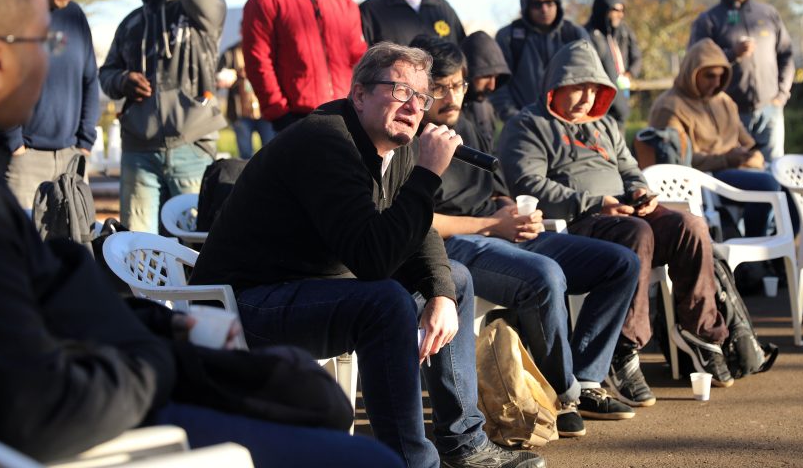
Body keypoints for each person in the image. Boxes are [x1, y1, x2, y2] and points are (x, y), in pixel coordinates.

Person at [0, 0, 401, 468]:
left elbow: (40, 295)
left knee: (310, 396)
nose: (53, 57)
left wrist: (158, 326)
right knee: (367, 459)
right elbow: (34, 405)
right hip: (94, 426)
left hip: (110, 372)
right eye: (45, 40)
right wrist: (159, 360)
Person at [190, 43, 544, 468]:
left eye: (422, 97)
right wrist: (428, 175)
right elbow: (372, 260)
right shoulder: (326, 141)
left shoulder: (397, 147)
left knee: (456, 280)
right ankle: (408, 461)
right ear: (359, 94)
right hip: (245, 302)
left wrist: (440, 293)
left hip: (312, 286)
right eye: (400, 91)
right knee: (385, 302)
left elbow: (416, 230)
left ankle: (462, 442)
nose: (415, 107)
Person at [411, 37, 640, 435]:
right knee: (544, 275)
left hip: (498, 230)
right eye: (441, 87)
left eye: (459, 84)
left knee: (620, 263)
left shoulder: (471, 121)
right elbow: (419, 221)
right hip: (454, 245)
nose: (452, 96)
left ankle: (586, 378)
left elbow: (495, 184)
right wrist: (492, 225)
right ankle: (563, 395)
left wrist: (510, 211)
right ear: (420, 88)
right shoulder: (410, 135)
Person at [498, 40, 732, 407]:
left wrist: (640, 191)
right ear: (557, 84)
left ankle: (700, 331)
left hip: (623, 210)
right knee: (636, 234)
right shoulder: (528, 125)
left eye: (595, 89)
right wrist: (594, 203)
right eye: (578, 87)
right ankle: (624, 349)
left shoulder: (604, 124)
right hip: (579, 223)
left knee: (691, 226)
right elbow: (529, 185)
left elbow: (628, 168)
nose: (587, 98)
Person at [99, 0, 227, 234]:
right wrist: (122, 80)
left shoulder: (200, 16)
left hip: (192, 145)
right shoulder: (131, 23)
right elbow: (106, 73)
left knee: (194, 240)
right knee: (139, 243)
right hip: (139, 148)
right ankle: (143, 285)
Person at [0, 0, 100, 209]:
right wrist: (16, 144)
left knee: (70, 245)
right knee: (17, 247)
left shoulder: (75, 15)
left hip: (71, 158)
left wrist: (84, 143)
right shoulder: (12, 13)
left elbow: (90, 79)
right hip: (22, 160)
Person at [648, 38, 786, 238]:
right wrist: (726, 159)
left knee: (788, 189)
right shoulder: (669, 106)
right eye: (709, 76)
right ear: (691, 73)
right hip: (703, 177)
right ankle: (757, 254)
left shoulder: (724, 101)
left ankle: (776, 255)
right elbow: (676, 161)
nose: (716, 83)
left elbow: (748, 143)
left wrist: (751, 156)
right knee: (767, 185)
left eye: (721, 77)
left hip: (735, 170)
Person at [241, 0, 365, 134]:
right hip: (293, 120)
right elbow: (258, 61)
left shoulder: (344, 2)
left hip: (347, 116)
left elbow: (358, 59)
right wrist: (280, 114)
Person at [689, 0, 794, 163]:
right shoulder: (709, 20)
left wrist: (781, 95)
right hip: (729, 114)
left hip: (770, 110)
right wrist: (731, 54)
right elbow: (696, 64)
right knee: (741, 172)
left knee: (775, 170)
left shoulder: (768, 14)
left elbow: (786, 55)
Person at [492, 0, 591, 122]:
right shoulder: (509, 37)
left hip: (570, 124)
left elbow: (590, 80)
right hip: (523, 125)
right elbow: (498, 85)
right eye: (537, 4)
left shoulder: (575, 35)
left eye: (549, 2)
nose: (544, 9)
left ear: (557, 3)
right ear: (526, 6)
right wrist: (515, 118)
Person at [584, 0, 642, 127]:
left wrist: (630, 73)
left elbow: (636, 55)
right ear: (604, 9)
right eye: (615, 10)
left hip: (621, 96)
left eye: (622, 10)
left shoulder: (623, 31)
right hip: (601, 108)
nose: (620, 14)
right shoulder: (588, 36)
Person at [217, 41, 274, 158]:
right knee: (245, 155)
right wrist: (236, 75)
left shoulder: (268, 48)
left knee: (270, 152)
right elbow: (217, 79)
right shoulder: (231, 53)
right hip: (241, 113)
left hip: (265, 112)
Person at [459, 30, 510, 147]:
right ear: (468, 72)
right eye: (486, 76)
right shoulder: (447, 109)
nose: (492, 86)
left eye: (496, 77)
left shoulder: (486, 109)